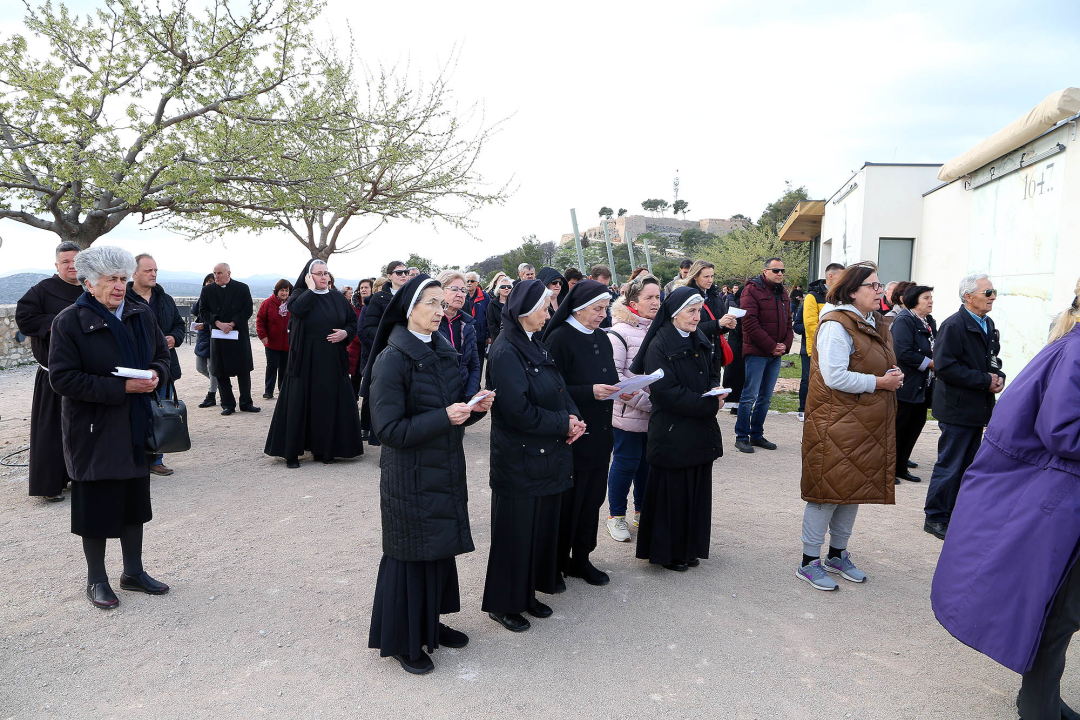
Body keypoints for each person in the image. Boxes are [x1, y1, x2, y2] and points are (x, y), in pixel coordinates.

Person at [931, 282, 1080, 720]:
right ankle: (1038, 706)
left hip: (1061, 499)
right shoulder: (1075, 349)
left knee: (1060, 610)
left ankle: (1040, 701)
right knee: (1059, 611)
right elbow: (1062, 429)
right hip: (1062, 502)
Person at [364, 275, 493, 674]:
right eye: (433, 303)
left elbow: (451, 414)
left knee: (436, 549)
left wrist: (472, 411)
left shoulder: (442, 349)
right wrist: (445, 417)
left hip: (442, 466)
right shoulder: (391, 359)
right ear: (409, 309)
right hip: (410, 474)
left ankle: (430, 623)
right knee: (410, 553)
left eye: (443, 303)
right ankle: (404, 640)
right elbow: (388, 431)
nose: (443, 310)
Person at [48, 246, 172, 609]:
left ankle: (133, 572)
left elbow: (162, 357)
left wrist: (155, 375)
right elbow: (64, 379)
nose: (119, 286)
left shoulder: (140, 313)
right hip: (92, 428)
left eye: (122, 278)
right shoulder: (69, 321)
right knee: (97, 507)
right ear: (88, 283)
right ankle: (96, 580)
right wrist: (121, 388)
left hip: (135, 423)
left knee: (134, 503)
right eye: (110, 280)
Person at [482, 280, 583, 632]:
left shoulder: (533, 341)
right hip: (519, 458)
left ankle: (524, 595)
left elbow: (558, 387)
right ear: (524, 311)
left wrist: (573, 419)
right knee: (514, 534)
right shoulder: (506, 350)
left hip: (544, 453)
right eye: (544, 307)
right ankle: (503, 604)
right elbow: (515, 411)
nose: (549, 313)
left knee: (535, 531)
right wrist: (561, 423)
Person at [797, 262, 902, 591]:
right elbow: (834, 376)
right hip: (836, 423)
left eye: (879, 284)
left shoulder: (874, 322)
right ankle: (808, 561)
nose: (879, 290)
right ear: (851, 291)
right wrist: (881, 382)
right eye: (872, 285)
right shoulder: (835, 324)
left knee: (851, 491)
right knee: (826, 493)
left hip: (863, 422)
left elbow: (878, 363)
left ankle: (837, 555)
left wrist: (892, 376)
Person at [631, 286, 724, 571]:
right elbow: (664, 392)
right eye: (691, 311)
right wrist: (708, 404)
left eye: (699, 311)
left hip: (697, 429)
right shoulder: (659, 345)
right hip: (673, 431)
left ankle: (689, 547)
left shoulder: (698, 336)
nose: (697, 318)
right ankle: (667, 552)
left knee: (695, 492)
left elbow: (711, 370)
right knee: (673, 496)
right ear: (674, 313)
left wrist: (714, 389)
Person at [544, 279, 627, 587]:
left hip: (601, 432)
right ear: (577, 308)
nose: (602, 315)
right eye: (597, 309)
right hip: (572, 436)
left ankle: (581, 558)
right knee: (569, 502)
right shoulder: (559, 338)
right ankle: (556, 560)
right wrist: (589, 392)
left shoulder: (602, 338)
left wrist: (622, 390)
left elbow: (608, 375)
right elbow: (552, 389)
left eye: (605, 309)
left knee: (592, 499)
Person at [922, 273, 1004, 539]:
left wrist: (997, 376)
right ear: (968, 297)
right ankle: (935, 517)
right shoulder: (954, 325)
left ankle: (955, 514)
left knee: (968, 465)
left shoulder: (987, 323)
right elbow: (945, 367)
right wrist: (983, 380)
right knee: (950, 464)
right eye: (988, 293)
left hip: (976, 406)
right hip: (956, 408)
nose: (993, 297)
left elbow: (992, 358)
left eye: (993, 292)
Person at [265, 260, 363, 468]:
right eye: (318, 273)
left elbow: (352, 322)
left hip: (331, 358)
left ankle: (324, 449)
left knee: (327, 402)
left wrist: (346, 333)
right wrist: (310, 289)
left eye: (326, 273)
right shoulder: (299, 295)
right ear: (308, 276)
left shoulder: (337, 297)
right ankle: (292, 453)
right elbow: (298, 310)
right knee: (300, 401)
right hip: (304, 358)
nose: (324, 277)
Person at [15, 241, 83, 502]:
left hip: (85, 375)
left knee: (82, 429)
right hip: (52, 373)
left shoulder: (92, 288)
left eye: (75, 260)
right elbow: (25, 319)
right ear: (57, 265)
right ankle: (50, 485)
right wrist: (58, 325)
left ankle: (81, 477)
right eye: (65, 261)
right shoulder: (42, 290)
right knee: (50, 431)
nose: (71, 266)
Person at [605, 273, 661, 542]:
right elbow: (615, 377)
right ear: (632, 302)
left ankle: (642, 512)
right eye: (648, 297)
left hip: (655, 415)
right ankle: (616, 517)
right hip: (629, 414)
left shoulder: (660, 329)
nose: (655, 302)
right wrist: (647, 403)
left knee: (647, 465)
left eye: (658, 297)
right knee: (625, 464)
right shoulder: (619, 332)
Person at [127, 254, 186, 477]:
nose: (153, 274)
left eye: (155, 271)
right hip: (136, 368)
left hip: (164, 367)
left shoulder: (165, 299)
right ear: (134, 273)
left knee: (160, 413)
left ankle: (156, 458)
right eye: (148, 270)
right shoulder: (124, 299)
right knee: (135, 414)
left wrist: (174, 338)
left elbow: (179, 326)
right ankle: (135, 459)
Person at [735, 257, 793, 453]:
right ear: (765, 271)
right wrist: (771, 346)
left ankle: (757, 435)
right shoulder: (751, 290)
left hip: (775, 354)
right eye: (776, 271)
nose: (780, 274)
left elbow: (789, 323)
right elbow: (749, 323)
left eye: (782, 271)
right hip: (757, 353)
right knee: (749, 395)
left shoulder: (783, 292)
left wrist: (784, 345)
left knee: (766, 397)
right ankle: (742, 436)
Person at [198, 263, 259, 416]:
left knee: (243, 371)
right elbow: (202, 311)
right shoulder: (207, 290)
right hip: (218, 335)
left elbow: (247, 310)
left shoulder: (242, 288)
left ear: (228, 273)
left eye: (219, 273)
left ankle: (246, 403)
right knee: (220, 371)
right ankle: (228, 404)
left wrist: (232, 324)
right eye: (214, 273)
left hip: (238, 334)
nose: (216, 276)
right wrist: (218, 323)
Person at [890, 285, 936, 483]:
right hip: (907, 384)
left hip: (923, 386)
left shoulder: (928, 321)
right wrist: (931, 363)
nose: (931, 301)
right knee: (899, 428)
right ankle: (888, 469)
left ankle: (902, 467)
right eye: (926, 297)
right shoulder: (904, 321)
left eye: (931, 297)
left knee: (915, 426)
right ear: (914, 300)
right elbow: (903, 352)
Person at [800, 263, 845, 422]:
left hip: (837, 349)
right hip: (817, 349)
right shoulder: (813, 296)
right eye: (842, 276)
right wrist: (828, 342)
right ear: (830, 276)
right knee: (814, 384)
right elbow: (811, 325)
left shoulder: (841, 296)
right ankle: (807, 414)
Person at [680, 259, 738, 379]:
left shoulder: (714, 295)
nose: (710, 280)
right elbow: (687, 327)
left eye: (712, 276)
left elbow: (719, 325)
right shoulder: (685, 295)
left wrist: (727, 325)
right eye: (706, 276)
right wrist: (718, 323)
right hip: (694, 352)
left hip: (714, 352)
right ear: (695, 276)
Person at [436, 270, 482, 398]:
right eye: (454, 289)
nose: (460, 294)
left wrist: (471, 394)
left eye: (463, 290)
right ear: (440, 291)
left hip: (463, 394)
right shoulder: (431, 324)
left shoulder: (468, 325)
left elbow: (474, 365)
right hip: (439, 398)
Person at [256, 279, 292, 400]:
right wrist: (262, 335)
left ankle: (283, 390)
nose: (284, 293)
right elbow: (260, 320)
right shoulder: (267, 303)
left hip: (287, 343)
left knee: (284, 367)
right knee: (272, 366)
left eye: (286, 290)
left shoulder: (292, 304)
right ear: (277, 291)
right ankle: (268, 390)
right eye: (282, 290)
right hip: (272, 341)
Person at [361, 261, 409, 347]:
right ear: (389, 276)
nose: (403, 275)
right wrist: (390, 338)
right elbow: (369, 328)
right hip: (388, 348)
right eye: (399, 273)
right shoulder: (378, 297)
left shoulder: (415, 296)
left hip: (412, 346)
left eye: (406, 272)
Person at [190, 274, 219, 408]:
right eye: (207, 282)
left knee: (212, 368)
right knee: (200, 367)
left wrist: (206, 326)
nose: (209, 284)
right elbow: (195, 311)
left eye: (212, 282)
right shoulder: (204, 298)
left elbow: (219, 319)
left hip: (213, 336)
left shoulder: (219, 299)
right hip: (202, 337)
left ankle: (211, 395)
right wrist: (202, 296)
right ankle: (221, 384)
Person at [485, 274, 513, 389]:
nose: (506, 288)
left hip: (514, 341)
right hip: (498, 341)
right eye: (503, 287)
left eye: (509, 286)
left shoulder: (515, 303)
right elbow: (491, 324)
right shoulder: (492, 305)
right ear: (498, 289)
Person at [463, 271, 490, 370]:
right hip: (464, 335)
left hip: (480, 336)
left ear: (477, 283)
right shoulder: (461, 296)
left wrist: (489, 335)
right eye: (467, 281)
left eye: (472, 281)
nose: (469, 283)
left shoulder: (485, 297)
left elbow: (489, 317)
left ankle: (477, 384)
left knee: (478, 362)